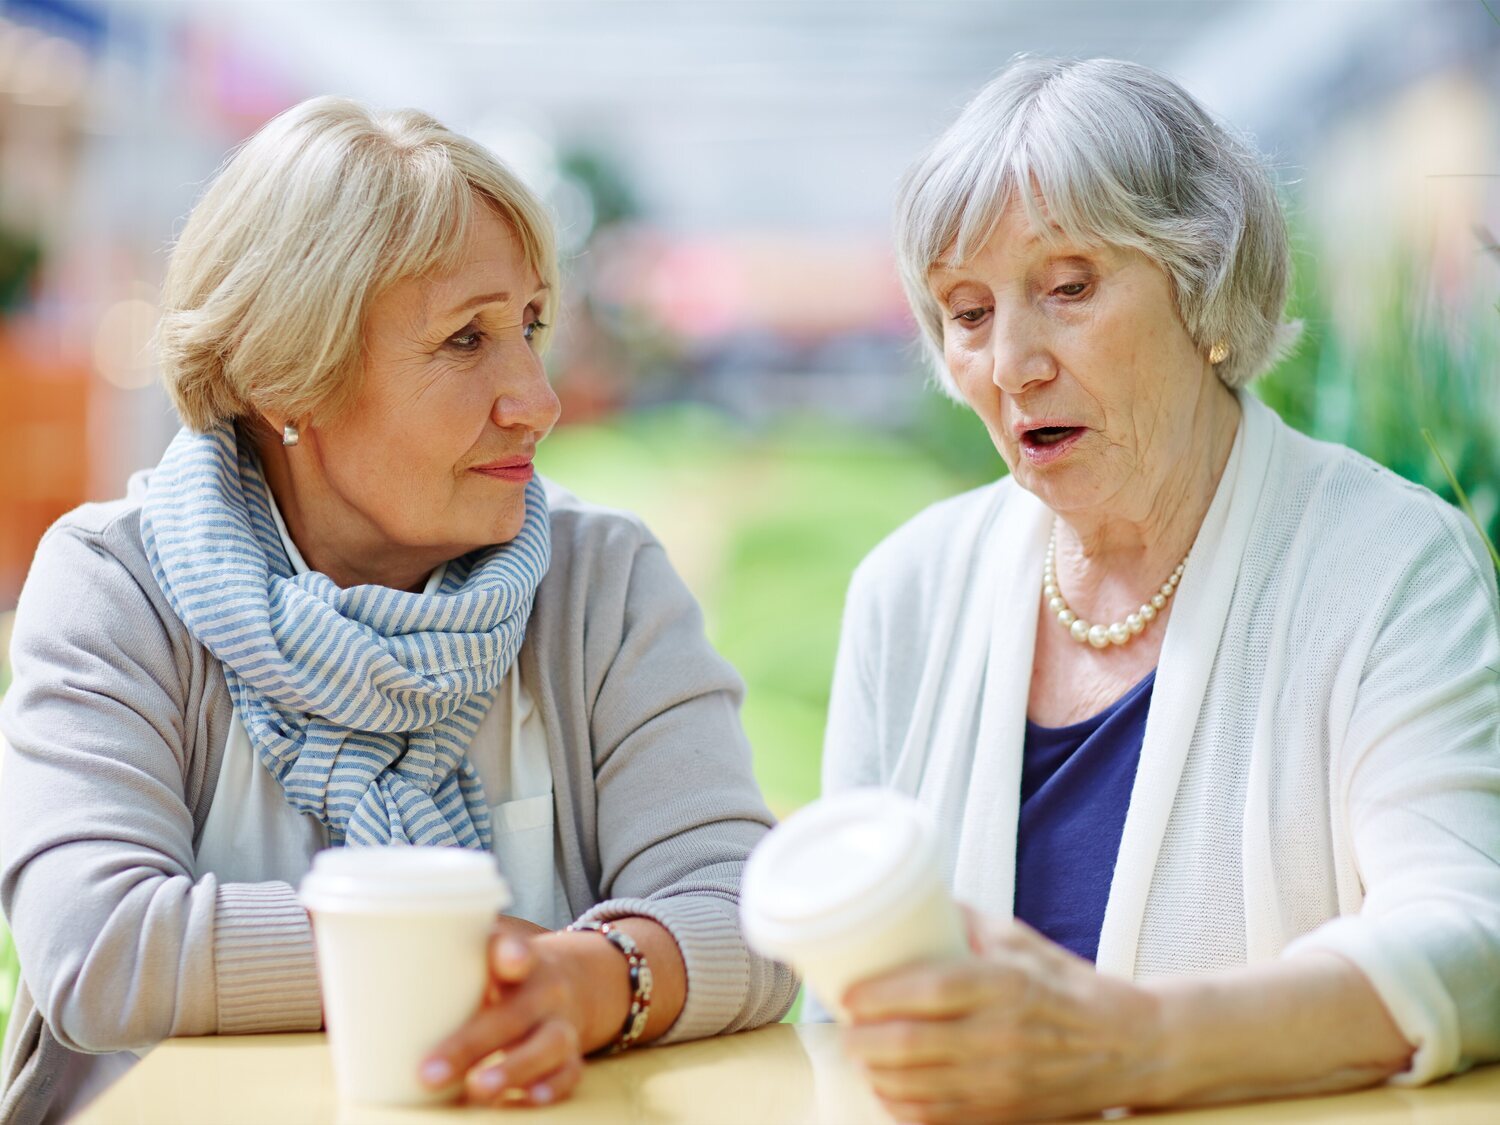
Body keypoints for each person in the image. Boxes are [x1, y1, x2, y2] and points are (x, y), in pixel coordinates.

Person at [0, 97, 795, 1124]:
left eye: (531, 327)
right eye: (467, 339)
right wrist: (477, 950)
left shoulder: (604, 583)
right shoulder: (116, 584)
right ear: (288, 375)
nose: (536, 398)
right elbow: (98, 949)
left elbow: (750, 916)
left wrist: (588, 981)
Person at [821, 56, 1500, 1122]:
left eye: (1069, 288)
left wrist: (1136, 1048)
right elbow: (843, 994)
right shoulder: (905, 591)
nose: (1012, 363)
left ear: (1204, 288)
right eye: (966, 311)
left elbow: (1472, 939)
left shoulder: (1391, 563)